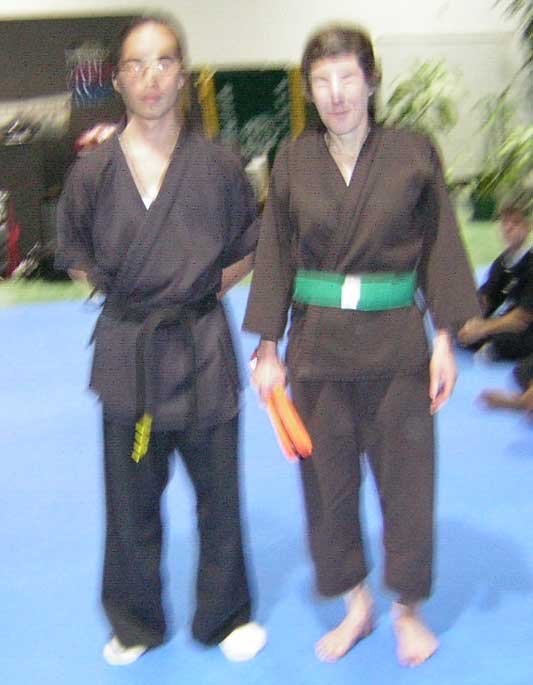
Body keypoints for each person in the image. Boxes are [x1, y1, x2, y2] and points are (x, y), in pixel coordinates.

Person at [243, 23, 480, 667]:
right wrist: (268, 348)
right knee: (328, 485)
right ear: (308, 91)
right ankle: (357, 603)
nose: (336, 93)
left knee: (408, 484)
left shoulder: (411, 152)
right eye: (321, 82)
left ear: (371, 80)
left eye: (348, 77)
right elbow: (275, 254)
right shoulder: (292, 161)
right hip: (317, 348)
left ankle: (408, 610)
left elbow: (441, 245)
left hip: (397, 344)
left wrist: (444, 339)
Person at [55, 14, 266, 666]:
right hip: (131, 354)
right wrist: (138, 297)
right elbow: (76, 256)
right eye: (136, 65)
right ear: (118, 80)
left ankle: (224, 616)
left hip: (201, 347)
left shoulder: (220, 165)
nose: (150, 77)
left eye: (164, 61)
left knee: (219, 496)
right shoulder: (92, 173)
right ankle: (135, 621)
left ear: (182, 74)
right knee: (129, 502)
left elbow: (247, 247)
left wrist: (193, 291)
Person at [458, 200, 533, 359]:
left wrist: (483, 329)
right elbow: (486, 297)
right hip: (504, 320)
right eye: (505, 223)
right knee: (459, 323)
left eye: (515, 223)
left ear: (527, 227)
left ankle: (492, 347)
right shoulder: (502, 262)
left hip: (524, 326)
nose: (508, 228)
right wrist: (473, 321)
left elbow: (522, 318)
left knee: (506, 340)